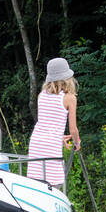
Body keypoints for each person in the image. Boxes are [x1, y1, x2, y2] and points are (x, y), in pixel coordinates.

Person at [27, 57, 80, 187]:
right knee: (54, 185)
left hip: (36, 143)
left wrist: (60, 137)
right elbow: (73, 129)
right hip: (51, 146)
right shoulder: (69, 98)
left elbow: (46, 123)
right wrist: (77, 142)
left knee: (36, 183)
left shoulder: (42, 95)